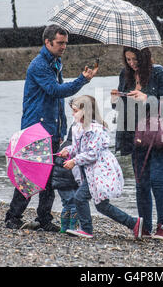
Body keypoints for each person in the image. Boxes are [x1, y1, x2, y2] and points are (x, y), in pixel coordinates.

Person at [4, 24, 98, 231]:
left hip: (52, 128)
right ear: (48, 42)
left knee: (49, 178)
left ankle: (44, 218)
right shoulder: (39, 65)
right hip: (36, 129)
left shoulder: (56, 62)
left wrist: (63, 126)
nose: (64, 46)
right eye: (60, 43)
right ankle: (13, 216)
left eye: (66, 43)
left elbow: (54, 99)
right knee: (30, 175)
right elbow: (55, 91)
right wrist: (82, 80)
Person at [59, 95, 143, 239]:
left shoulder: (95, 129)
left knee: (80, 197)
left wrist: (74, 161)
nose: (72, 114)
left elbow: (92, 153)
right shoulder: (78, 128)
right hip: (89, 171)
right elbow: (80, 147)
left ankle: (86, 229)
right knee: (101, 206)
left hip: (100, 170)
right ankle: (133, 223)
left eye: (75, 110)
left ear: (85, 111)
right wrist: (69, 150)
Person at [111, 47, 163, 240]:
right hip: (135, 135)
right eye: (128, 59)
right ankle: (145, 226)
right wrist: (116, 100)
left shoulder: (159, 72)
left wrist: (146, 98)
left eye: (135, 59)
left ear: (144, 57)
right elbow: (122, 107)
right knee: (141, 183)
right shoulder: (125, 74)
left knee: (157, 181)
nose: (132, 63)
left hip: (159, 135)